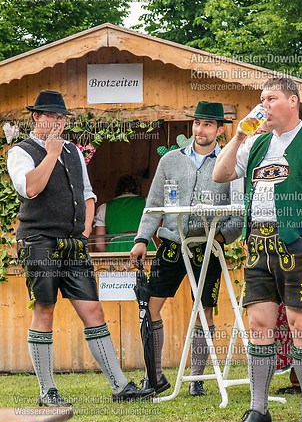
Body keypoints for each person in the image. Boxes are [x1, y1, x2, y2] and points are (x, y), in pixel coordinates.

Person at [213, 77, 302, 422]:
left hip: (296, 244)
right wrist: (239, 135)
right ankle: (259, 408)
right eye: (261, 99)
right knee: (259, 325)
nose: (263, 105)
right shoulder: (254, 143)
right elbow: (220, 173)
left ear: (292, 101)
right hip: (258, 244)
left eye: (270, 98)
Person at [7, 90, 154, 406]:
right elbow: (30, 188)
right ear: (37, 118)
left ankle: (120, 386)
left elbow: (88, 195)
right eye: (51, 116)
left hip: (73, 243)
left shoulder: (73, 151)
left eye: (61, 117)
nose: (58, 122)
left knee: (93, 309)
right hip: (39, 242)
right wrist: (49, 154)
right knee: (44, 310)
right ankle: (47, 391)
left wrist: (85, 229)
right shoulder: (20, 152)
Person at [130, 101, 242, 397]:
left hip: (207, 246)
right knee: (151, 307)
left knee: (204, 310)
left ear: (220, 129)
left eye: (207, 124)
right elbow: (153, 203)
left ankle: (196, 378)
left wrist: (221, 237)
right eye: (197, 123)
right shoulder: (170, 160)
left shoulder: (231, 162)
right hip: (171, 243)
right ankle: (153, 377)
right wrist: (142, 239)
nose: (200, 129)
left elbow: (239, 212)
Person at [94, 174, 156, 252]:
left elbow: (99, 245)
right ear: (138, 188)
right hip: (144, 248)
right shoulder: (147, 203)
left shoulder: (104, 208)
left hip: (116, 251)